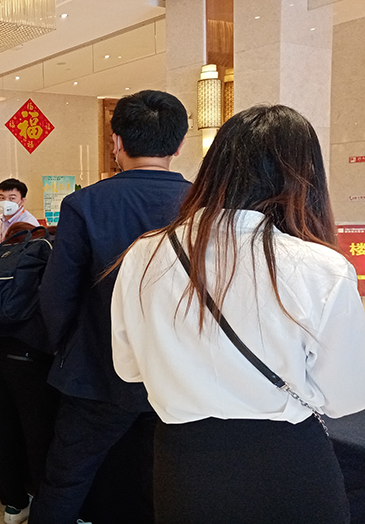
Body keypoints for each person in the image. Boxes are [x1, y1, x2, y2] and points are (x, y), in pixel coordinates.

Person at [111, 105, 364, 524]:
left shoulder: (145, 253)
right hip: (290, 462)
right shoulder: (322, 268)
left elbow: (129, 368)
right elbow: (345, 397)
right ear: (305, 177)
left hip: (185, 464)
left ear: (215, 168)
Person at [31, 90, 191, 524]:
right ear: (179, 145)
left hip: (97, 369)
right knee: (165, 482)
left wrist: (68, 347)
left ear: (116, 142)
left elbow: (57, 294)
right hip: (180, 376)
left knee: (66, 479)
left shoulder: (84, 204)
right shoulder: (206, 204)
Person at [0, 224, 59, 524]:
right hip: (27, 354)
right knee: (38, 433)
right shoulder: (49, 255)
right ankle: (45, 504)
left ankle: (13, 504)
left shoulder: (6, 254)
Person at [0, 179, 39, 246]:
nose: (6, 202)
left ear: (22, 201)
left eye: (12, 198)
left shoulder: (28, 222)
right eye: (2, 198)